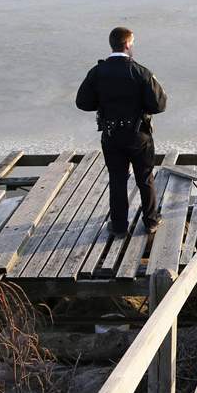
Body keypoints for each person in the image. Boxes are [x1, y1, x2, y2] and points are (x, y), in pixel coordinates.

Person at [76, 26, 168, 237]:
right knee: (145, 178)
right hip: (139, 135)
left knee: (117, 180)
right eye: (132, 43)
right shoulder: (141, 72)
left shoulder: (97, 72)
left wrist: (103, 102)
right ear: (127, 44)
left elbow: (82, 102)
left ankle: (119, 227)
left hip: (111, 135)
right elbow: (159, 105)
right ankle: (151, 221)